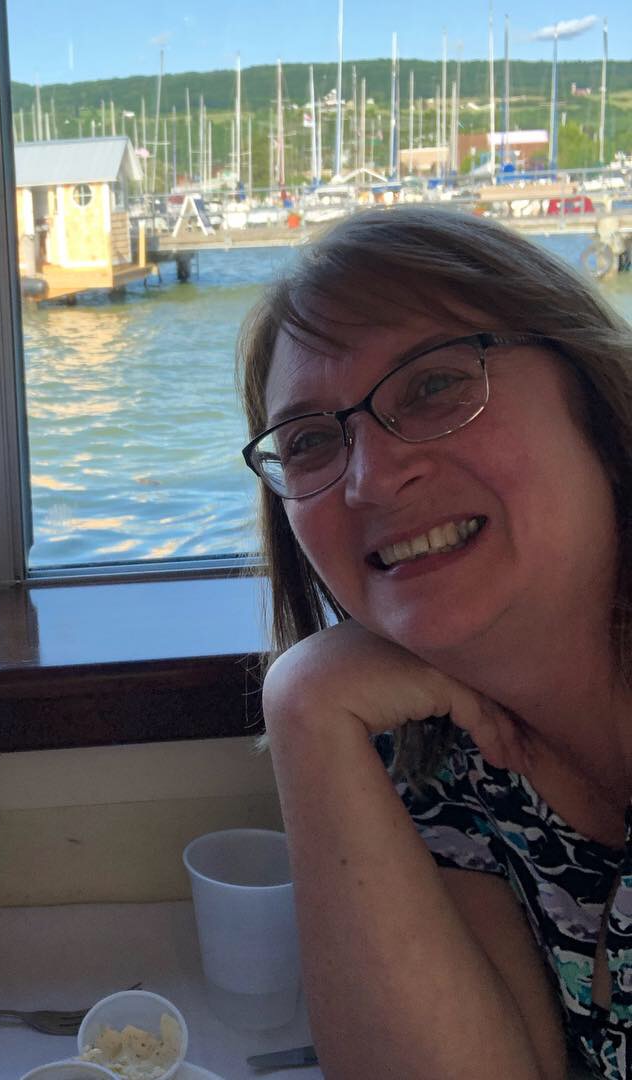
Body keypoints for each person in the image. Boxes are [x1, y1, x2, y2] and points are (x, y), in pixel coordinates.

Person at [237, 205, 632, 1079]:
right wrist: (303, 707)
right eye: (310, 441)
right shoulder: (441, 764)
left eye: (434, 385)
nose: (374, 478)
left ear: (594, 399)